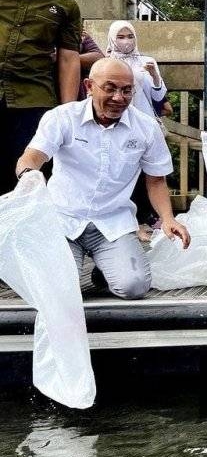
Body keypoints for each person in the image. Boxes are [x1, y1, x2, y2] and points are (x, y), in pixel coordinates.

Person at [13, 58, 191, 299]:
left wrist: (168, 218)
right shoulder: (63, 117)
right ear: (89, 86)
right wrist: (29, 177)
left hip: (112, 222)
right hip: (63, 220)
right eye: (110, 88)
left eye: (127, 90)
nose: (119, 98)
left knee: (134, 287)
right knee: (59, 292)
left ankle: (105, 271)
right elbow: (32, 157)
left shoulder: (147, 128)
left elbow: (156, 180)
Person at [0, 0, 82, 193]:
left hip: (33, 101)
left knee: (25, 180)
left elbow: (69, 59)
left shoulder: (66, 5)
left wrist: (68, 113)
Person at [104, 20, 165, 120]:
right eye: (120, 37)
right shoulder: (106, 63)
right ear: (112, 39)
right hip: (115, 119)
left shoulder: (147, 61)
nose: (126, 40)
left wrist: (155, 77)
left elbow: (158, 97)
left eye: (130, 36)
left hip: (143, 118)